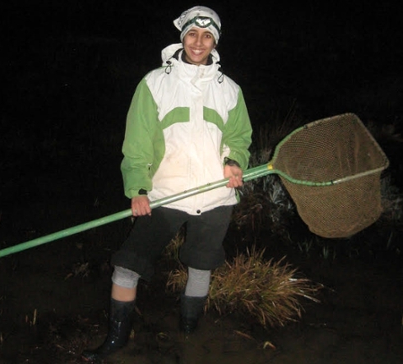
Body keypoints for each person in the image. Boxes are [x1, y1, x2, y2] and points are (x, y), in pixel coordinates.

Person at [82, 5, 252, 362]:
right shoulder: (154, 83)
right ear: (182, 36)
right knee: (128, 265)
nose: (199, 42)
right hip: (164, 194)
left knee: (200, 266)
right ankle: (117, 340)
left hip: (216, 196)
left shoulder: (230, 90)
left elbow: (239, 136)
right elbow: (137, 143)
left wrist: (234, 162)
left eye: (207, 36)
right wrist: (138, 189)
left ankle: (190, 335)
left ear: (215, 41)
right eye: (193, 34)